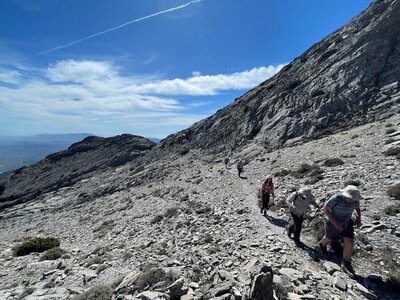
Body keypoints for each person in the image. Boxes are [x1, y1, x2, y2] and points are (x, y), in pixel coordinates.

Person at [318, 185, 362, 278]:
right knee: (329, 238)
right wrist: (335, 223)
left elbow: (357, 208)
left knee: (349, 241)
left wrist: (358, 219)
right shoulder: (336, 198)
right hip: (333, 221)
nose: (352, 200)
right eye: (350, 198)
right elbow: (326, 209)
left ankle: (346, 263)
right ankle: (322, 246)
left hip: (347, 222)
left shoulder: (355, 200)